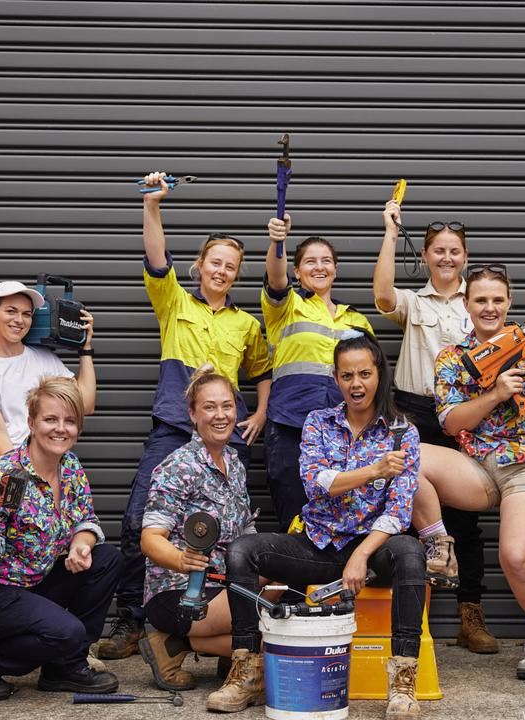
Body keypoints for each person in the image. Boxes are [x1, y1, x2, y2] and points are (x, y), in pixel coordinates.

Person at [98, 171, 274, 661]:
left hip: (225, 437)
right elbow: (157, 259)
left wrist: (258, 410)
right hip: (173, 430)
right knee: (139, 522)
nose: (222, 271)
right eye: (215, 262)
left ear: (237, 274)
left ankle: (204, 617)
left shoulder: (246, 323)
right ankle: (134, 617)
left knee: (229, 530)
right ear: (199, 266)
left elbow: (263, 369)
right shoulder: (173, 301)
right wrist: (152, 206)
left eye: (231, 266)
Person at [208, 332, 428, 720]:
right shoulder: (319, 423)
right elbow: (316, 483)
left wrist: (361, 556)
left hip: (371, 550)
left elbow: (398, 510)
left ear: (379, 375)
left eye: (364, 374)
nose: (356, 384)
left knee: (410, 550)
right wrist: (373, 470)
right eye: (346, 376)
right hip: (317, 545)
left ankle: (403, 681)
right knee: (242, 550)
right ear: (335, 378)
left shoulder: (402, 433)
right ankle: (245, 670)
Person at [408, 264, 525, 681]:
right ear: (466, 304)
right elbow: (452, 423)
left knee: (517, 556)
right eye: (480, 300)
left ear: (509, 302)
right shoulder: (454, 358)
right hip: (479, 466)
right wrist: (496, 394)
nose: (489, 308)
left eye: (497, 300)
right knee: (408, 454)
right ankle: (440, 548)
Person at [0, 377, 122, 701]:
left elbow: (85, 519)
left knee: (107, 559)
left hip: (28, 584)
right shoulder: (5, 473)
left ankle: (64, 667)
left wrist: (82, 544)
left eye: (70, 421)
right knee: (68, 632)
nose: (60, 429)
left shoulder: (70, 466)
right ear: (31, 422)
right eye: (51, 419)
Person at [372, 205, 489, 649]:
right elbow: (383, 295)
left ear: (464, 255)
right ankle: (406, 619)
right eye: (438, 251)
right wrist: (389, 232)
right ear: (424, 256)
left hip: (464, 414)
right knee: (403, 515)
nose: (446, 258)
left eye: (454, 251)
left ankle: (470, 617)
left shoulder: (478, 302)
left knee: (465, 520)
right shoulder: (414, 302)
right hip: (413, 411)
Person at [137, 368, 262, 690]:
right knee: (269, 627)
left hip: (224, 582)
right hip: (179, 591)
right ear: (192, 414)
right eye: (209, 407)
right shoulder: (179, 466)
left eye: (227, 405)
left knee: (282, 593)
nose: (220, 415)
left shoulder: (234, 462)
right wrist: (181, 560)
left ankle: (186, 645)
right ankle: (171, 641)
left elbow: (245, 529)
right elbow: (150, 539)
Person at [261, 213, 374, 530]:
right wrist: (277, 241)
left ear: (336, 270)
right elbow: (275, 278)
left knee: (343, 516)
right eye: (310, 261)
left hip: (344, 432)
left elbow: (372, 378)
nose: (319, 267)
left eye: (326, 261)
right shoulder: (285, 307)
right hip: (289, 426)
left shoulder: (357, 321)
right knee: (295, 516)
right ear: (297, 271)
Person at [0, 280, 97, 472]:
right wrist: (28, 482)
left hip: (42, 466)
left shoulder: (44, 359)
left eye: (26, 314)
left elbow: (85, 404)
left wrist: (85, 348)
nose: (19, 320)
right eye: (11, 311)